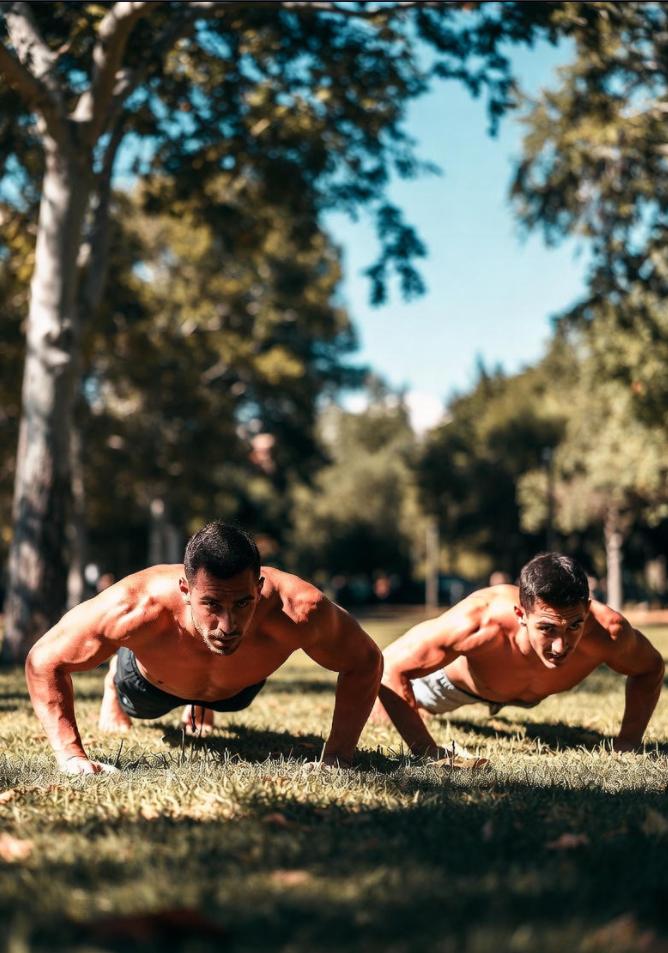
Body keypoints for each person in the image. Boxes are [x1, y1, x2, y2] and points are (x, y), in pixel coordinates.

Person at [26, 522, 383, 774]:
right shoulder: (135, 605)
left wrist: (338, 756)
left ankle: (204, 706)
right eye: (212, 604)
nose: (228, 626)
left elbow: (366, 661)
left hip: (235, 691)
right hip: (150, 685)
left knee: (222, 673)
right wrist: (72, 757)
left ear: (258, 588)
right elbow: (43, 661)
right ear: (185, 590)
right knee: (135, 698)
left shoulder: (300, 608)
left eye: (243, 604)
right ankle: (114, 677)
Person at [372, 553, 664, 758]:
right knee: (379, 719)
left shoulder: (608, 631)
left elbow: (650, 668)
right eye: (547, 628)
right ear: (520, 615)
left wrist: (627, 742)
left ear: (586, 611)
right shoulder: (480, 619)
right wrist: (428, 751)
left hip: (522, 689)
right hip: (456, 686)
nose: (561, 646)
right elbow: (389, 668)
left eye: (574, 625)